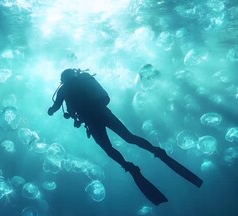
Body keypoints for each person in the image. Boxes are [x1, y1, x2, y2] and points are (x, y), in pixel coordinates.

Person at [48, 68, 203, 205]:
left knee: (109, 149)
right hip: (102, 113)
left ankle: (129, 166)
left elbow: (56, 106)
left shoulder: (64, 88)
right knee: (129, 137)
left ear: (62, 80)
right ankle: (155, 150)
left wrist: (51, 110)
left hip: (91, 121)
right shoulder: (82, 80)